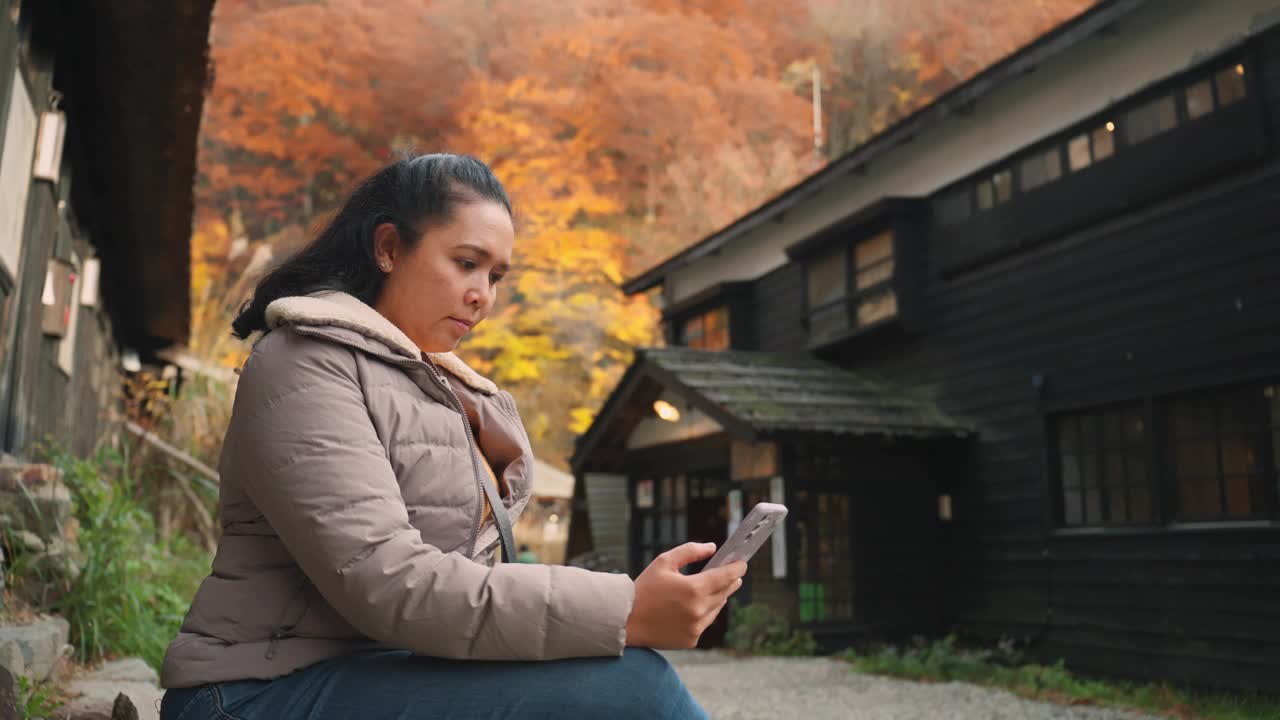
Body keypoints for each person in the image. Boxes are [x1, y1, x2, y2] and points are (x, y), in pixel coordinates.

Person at [157, 154, 746, 720]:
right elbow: (386, 579)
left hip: (376, 671)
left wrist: (623, 613)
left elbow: (460, 577)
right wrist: (624, 609)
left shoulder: (438, 388)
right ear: (388, 248)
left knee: (619, 669)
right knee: (634, 692)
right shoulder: (303, 363)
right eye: (466, 263)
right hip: (253, 694)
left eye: (495, 276)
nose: (482, 295)